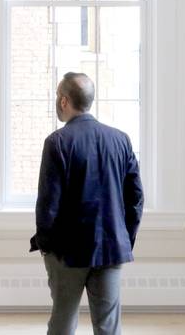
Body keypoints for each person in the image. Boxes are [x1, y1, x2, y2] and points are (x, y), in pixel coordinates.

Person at [30, 72, 144, 335]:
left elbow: (48, 204)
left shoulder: (57, 142)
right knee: (108, 327)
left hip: (67, 252)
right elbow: (135, 198)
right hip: (111, 247)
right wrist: (124, 237)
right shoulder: (121, 139)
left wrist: (47, 247)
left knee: (62, 322)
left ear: (63, 101)